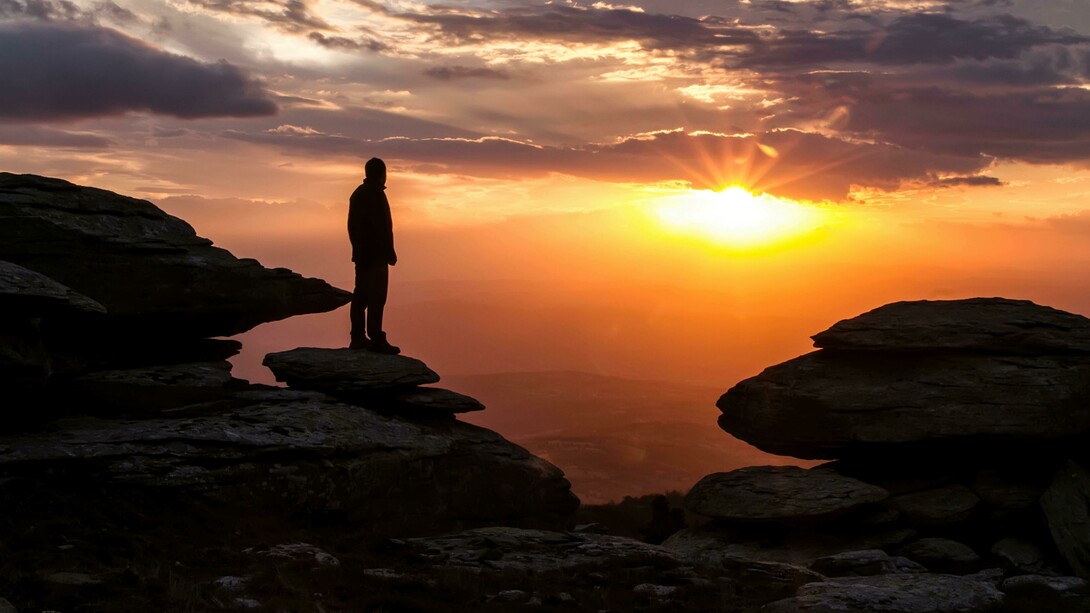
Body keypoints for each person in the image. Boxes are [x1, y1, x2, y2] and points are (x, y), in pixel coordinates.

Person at [348, 157, 400, 354]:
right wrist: (389, 252)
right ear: (381, 174)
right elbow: (382, 228)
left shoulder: (358, 194)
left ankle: (358, 337)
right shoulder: (375, 194)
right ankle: (376, 337)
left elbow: (352, 227)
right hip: (376, 256)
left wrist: (357, 250)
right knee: (377, 298)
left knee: (360, 296)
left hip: (362, 256)